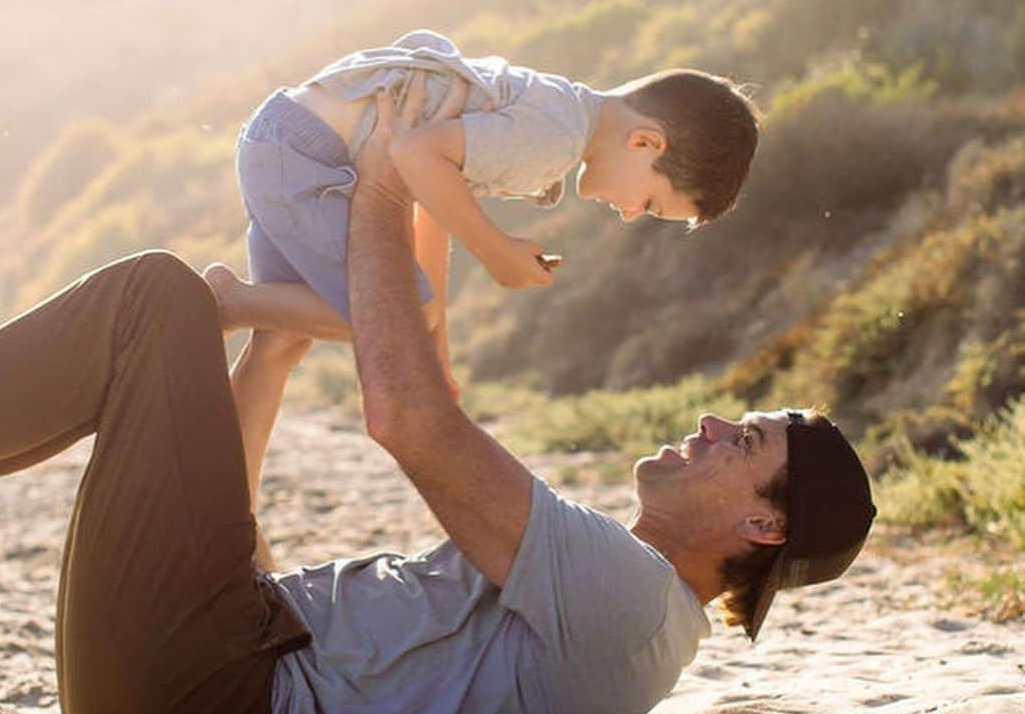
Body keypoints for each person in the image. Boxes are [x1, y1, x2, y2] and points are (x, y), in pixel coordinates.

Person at [0, 83, 873, 714]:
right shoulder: (611, 601)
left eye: (745, 441)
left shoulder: (629, 601)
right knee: (162, 307)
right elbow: (248, 563)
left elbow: (408, 418)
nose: (712, 426)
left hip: (205, 709)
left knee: (158, 298)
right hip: (191, 699)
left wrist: (390, 179)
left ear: (761, 522)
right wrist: (270, 360)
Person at [204, 28, 759, 564]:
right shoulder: (553, 139)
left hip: (291, 139)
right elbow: (416, 156)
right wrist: (495, 253)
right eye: (655, 204)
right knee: (393, 315)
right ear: (645, 142)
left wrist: (437, 345)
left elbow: (430, 204)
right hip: (311, 156)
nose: (634, 214)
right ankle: (225, 303)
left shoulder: (558, 111)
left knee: (281, 342)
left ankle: (230, 521)